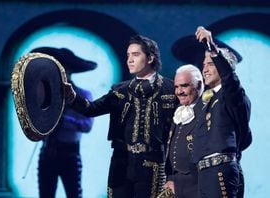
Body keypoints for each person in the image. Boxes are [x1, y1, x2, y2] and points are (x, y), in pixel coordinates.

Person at [64, 35, 178, 198]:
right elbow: (91, 108)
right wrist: (73, 97)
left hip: (153, 164)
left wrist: (173, 175)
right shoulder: (120, 90)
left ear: (151, 57)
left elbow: (179, 133)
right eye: (128, 55)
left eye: (135, 55)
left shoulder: (170, 89)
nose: (130, 60)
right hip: (121, 162)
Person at [172, 27, 252, 198]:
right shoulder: (204, 102)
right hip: (203, 174)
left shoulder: (232, 94)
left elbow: (230, 80)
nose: (205, 70)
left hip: (220, 171)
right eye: (203, 65)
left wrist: (212, 48)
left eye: (210, 64)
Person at [31, 47, 96, 198]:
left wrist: (61, 119)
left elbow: (87, 126)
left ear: (69, 70)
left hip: (69, 153)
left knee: (73, 194)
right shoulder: (46, 96)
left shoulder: (83, 95)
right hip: (47, 152)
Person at [163, 64, 204, 198]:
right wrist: (170, 178)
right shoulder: (178, 112)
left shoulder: (207, 112)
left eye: (184, 86)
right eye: (176, 87)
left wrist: (181, 184)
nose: (179, 91)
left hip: (196, 186)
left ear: (198, 85)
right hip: (175, 183)